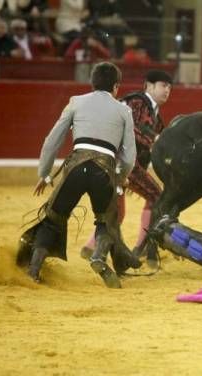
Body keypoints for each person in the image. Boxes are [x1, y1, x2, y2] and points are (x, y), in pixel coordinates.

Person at [20, 62, 136, 288]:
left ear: (92, 83)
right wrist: (121, 177)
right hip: (104, 171)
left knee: (53, 220)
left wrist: (45, 174)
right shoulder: (124, 111)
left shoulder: (76, 102)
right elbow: (129, 156)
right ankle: (98, 257)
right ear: (116, 87)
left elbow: (52, 141)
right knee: (107, 221)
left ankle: (33, 270)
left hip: (75, 168)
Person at [81, 70, 173, 264]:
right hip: (122, 161)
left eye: (170, 87)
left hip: (113, 160)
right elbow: (133, 127)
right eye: (163, 85)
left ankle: (90, 247)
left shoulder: (151, 110)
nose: (167, 90)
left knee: (118, 212)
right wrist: (155, 139)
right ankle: (142, 247)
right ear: (148, 85)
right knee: (157, 196)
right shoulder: (138, 102)